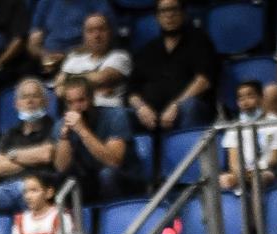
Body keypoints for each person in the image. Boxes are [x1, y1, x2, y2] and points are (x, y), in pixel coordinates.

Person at [0, 78, 57, 214]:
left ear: (46, 102)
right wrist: (34, 160)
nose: (30, 101)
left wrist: (12, 155)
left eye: (35, 96)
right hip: (6, 191)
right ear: (17, 104)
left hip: (36, 189)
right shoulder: (9, 133)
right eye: (24, 97)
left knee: (28, 190)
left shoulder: (54, 127)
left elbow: (46, 155)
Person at [126, 0, 218, 132]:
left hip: (186, 109)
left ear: (183, 14)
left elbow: (204, 80)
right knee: (122, 115)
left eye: (174, 9)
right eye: (164, 11)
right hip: (151, 114)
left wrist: (176, 105)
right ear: (157, 17)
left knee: (190, 106)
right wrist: (141, 107)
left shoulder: (199, 42)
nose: (169, 15)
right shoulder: (148, 50)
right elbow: (131, 90)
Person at [53, 75, 142, 202]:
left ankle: (114, 213)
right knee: (65, 179)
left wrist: (82, 130)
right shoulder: (61, 125)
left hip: (125, 178)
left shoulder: (115, 116)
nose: (76, 107)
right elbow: (61, 168)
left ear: (92, 98)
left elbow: (113, 161)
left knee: (107, 174)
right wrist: (64, 137)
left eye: (81, 100)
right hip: (89, 181)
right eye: (70, 103)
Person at [220, 80, 277, 192]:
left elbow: (274, 160)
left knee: (258, 178)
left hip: (268, 172)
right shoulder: (234, 128)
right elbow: (233, 162)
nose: (245, 102)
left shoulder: (276, 124)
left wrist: (254, 172)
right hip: (242, 173)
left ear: (261, 98)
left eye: (250, 96)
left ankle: (255, 204)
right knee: (223, 180)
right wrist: (242, 174)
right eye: (241, 98)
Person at [58, 12, 131, 108]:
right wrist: (94, 87)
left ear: (110, 33)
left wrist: (69, 81)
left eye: (101, 29)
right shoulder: (74, 59)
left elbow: (101, 78)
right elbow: (59, 89)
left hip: (106, 110)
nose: (96, 35)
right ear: (84, 36)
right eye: (90, 31)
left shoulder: (120, 56)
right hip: (77, 110)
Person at [28, 0, 91, 75]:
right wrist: (44, 55)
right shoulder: (45, 2)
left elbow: (99, 39)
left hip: (80, 61)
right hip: (49, 62)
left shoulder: (92, 3)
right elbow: (32, 44)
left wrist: (67, 56)